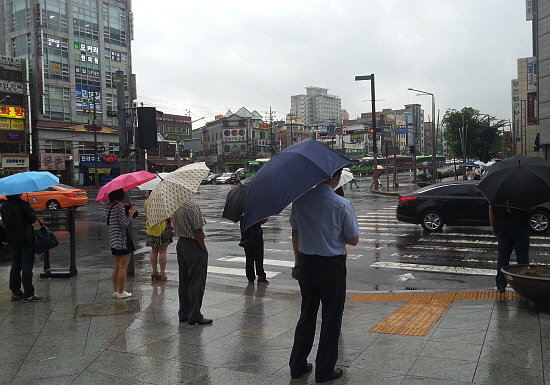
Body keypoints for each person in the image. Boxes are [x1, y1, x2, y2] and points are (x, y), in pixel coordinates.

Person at [288, 167, 360, 383]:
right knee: (331, 317)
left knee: (307, 314)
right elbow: (353, 239)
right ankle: (325, 370)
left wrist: (298, 261)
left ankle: (297, 365)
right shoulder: (341, 204)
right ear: (336, 178)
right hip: (331, 266)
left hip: (307, 265)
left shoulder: (300, 201)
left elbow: (295, 231)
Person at [173, 199, 212, 325]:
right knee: (197, 280)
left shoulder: (176, 206)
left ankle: (184, 313)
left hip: (181, 243)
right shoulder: (192, 206)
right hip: (193, 244)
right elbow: (197, 231)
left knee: (184, 280)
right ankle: (195, 314)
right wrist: (203, 248)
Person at [1, 194, 41, 303]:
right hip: (26, 239)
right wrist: (30, 209)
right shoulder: (23, 205)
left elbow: (5, 222)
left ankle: (16, 292)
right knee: (27, 265)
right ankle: (28, 293)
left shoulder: (4, 206)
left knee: (15, 265)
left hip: (12, 239)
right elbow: (32, 219)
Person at [489, 204, 532, 292]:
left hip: (503, 227)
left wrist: (493, 225)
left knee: (503, 257)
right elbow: (532, 208)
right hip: (521, 228)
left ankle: (501, 285)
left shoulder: (498, 194)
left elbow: (491, 208)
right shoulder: (523, 192)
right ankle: (524, 284)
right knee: (522, 257)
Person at [105, 188, 137, 299]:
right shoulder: (118, 207)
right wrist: (131, 213)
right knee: (123, 267)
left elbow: (114, 218)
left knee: (117, 267)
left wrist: (123, 207)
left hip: (114, 239)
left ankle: (116, 291)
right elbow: (124, 224)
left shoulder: (108, 206)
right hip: (122, 239)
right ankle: (121, 292)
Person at [144, 198, 172, 281]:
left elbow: (146, 213)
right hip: (163, 229)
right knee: (162, 252)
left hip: (151, 228)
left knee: (154, 251)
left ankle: (154, 271)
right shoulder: (164, 201)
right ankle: (162, 273)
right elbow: (168, 215)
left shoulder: (147, 202)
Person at [240, 217, 269, 284]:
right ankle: (260, 275)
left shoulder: (242, 211)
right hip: (256, 235)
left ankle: (250, 277)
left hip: (246, 236)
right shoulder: (255, 211)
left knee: (249, 257)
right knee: (258, 256)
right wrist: (265, 219)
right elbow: (260, 221)